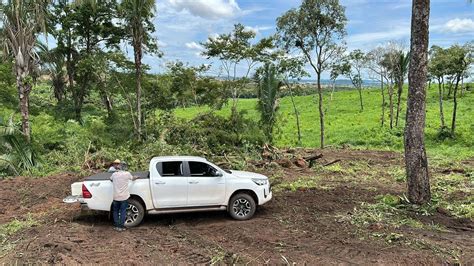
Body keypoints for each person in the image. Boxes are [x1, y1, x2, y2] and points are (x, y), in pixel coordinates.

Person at [109, 162, 138, 231]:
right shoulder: (127, 174)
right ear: (125, 167)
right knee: (123, 211)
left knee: (115, 211)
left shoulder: (114, 174)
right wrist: (136, 177)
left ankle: (116, 226)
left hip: (116, 197)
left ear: (118, 167)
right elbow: (133, 178)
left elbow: (110, 179)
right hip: (124, 197)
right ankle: (121, 227)